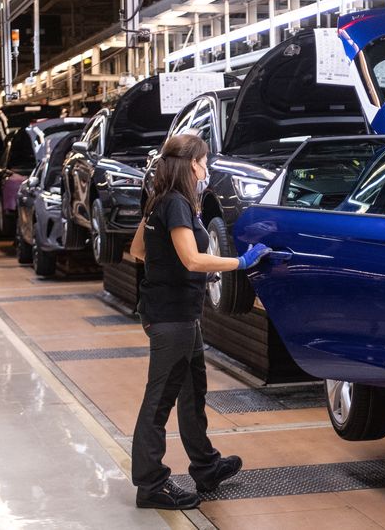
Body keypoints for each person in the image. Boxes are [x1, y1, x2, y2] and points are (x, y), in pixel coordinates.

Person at [129, 133, 270, 510]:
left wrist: (187, 271)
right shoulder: (175, 203)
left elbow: (139, 250)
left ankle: (205, 466)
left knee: (193, 393)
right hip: (171, 317)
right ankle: (150, 484)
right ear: (193, 164)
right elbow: (192, 258)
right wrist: (240, 263)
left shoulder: (161, 199)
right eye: (204, 162)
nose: (206, 169)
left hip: (177, 312)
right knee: (159, 401)